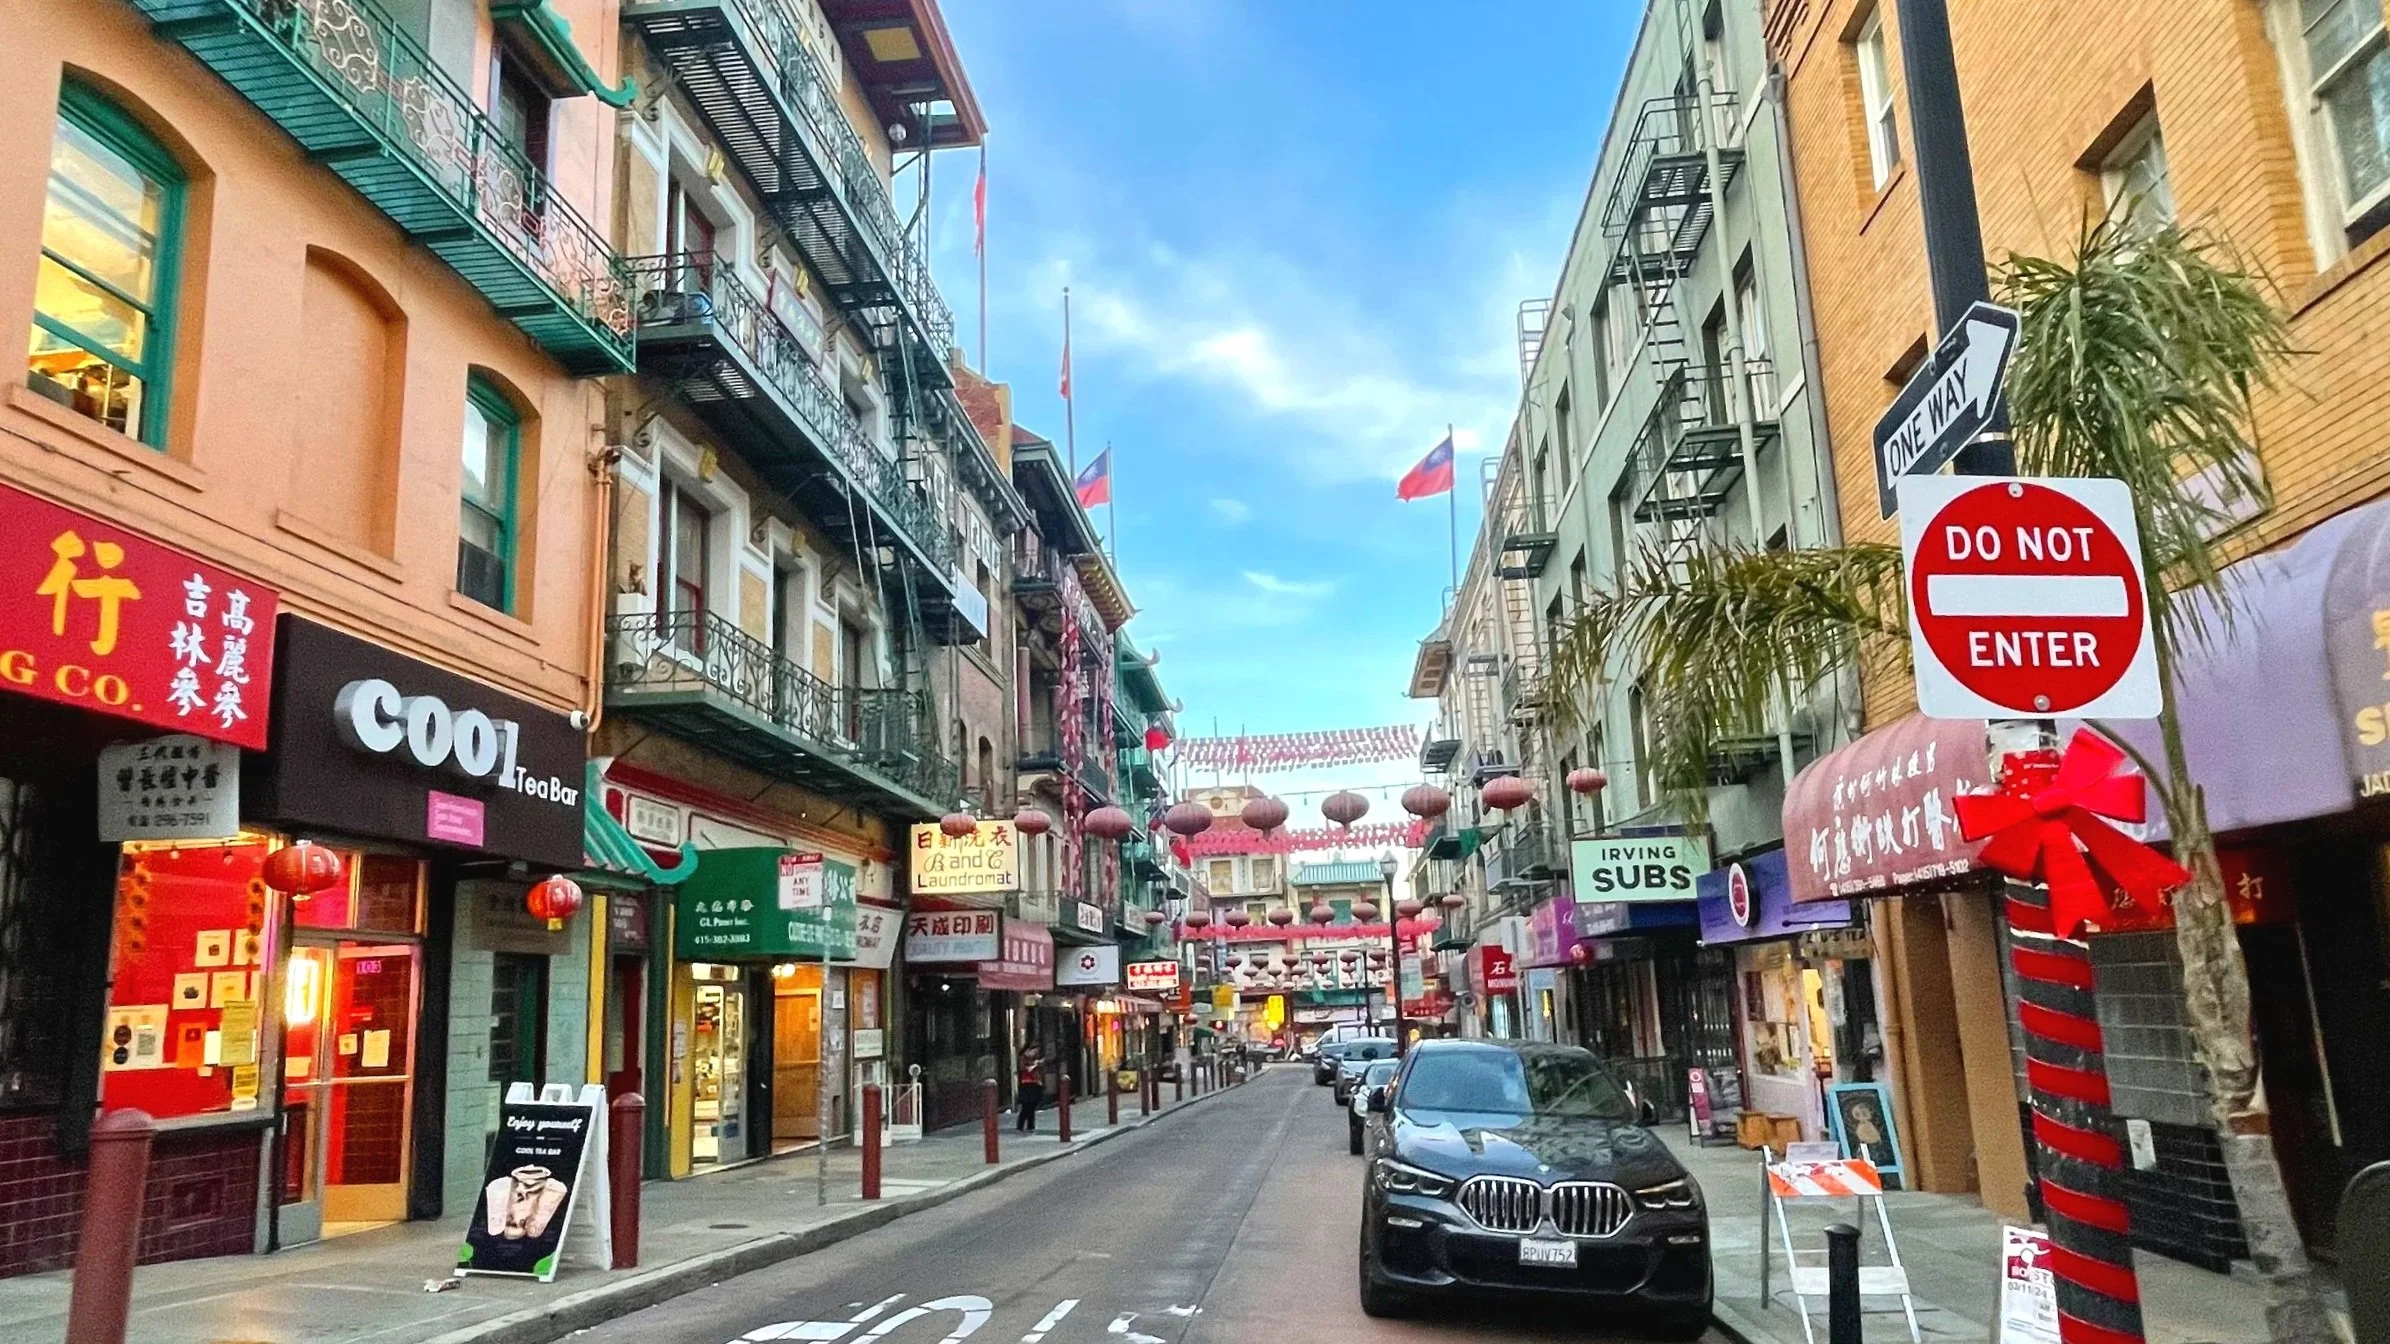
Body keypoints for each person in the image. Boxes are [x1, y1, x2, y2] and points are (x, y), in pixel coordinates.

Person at [1015, 1046, 1046, 1133]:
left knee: (1032, 1106)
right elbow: (1023, 1069)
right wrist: (1033, 1066)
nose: (1035, 1052)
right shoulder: (1023, 1058)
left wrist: (1038, 1064)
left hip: (1035, 1083)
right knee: (1026, 1106)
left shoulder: (1036, 1058)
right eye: (1033, 1050)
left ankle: (1030, 1125)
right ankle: (1021, 1126)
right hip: (1026, 1084)